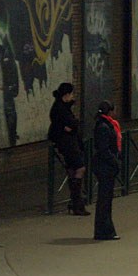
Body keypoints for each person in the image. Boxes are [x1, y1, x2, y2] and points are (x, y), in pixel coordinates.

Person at [48, 83, 89, 215]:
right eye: (71, 94)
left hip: (68, 142)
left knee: (72, 170)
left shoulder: (61, 107)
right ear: (66, 95)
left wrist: (71, 126)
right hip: (68, 144)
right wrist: (72, 125)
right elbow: (71, 124)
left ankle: (75, 202)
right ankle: (77, 203)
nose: (73, 97)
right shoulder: (60, 109)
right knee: (80, 168)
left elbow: (70, 126)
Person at [91, 101, 121, 241]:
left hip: (106, 166)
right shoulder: (104, 127)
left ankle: (105, 230)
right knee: (105, 200)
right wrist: (115, 162)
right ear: (109, 112)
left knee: (106, 199)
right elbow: (104, 149)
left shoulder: (104, 124)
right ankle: (105, 230)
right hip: (105, 167)